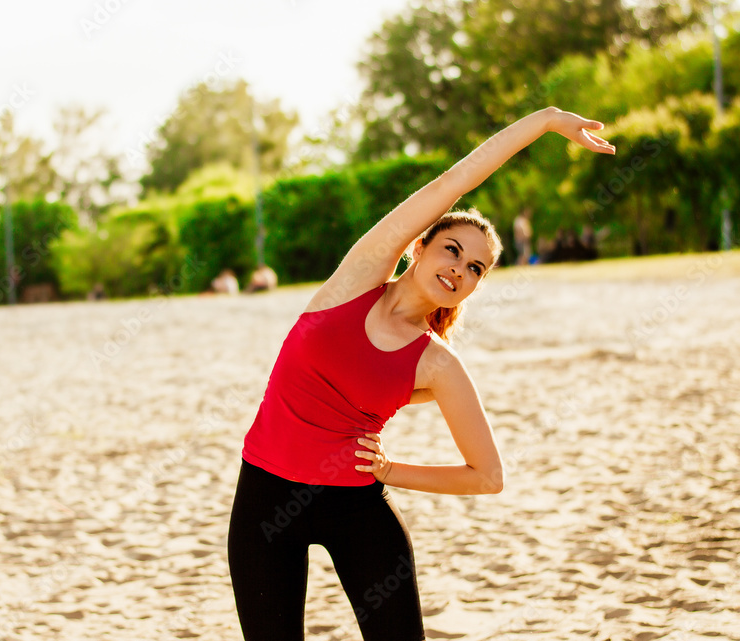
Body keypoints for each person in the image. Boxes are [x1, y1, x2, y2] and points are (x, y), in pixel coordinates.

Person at [227, 106, 615, 640]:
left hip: (356, 509)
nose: (459, 268)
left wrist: (390, 471)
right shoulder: (357, 279)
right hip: (264, 499)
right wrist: (545, 120)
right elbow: (455, 182)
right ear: (418, 246)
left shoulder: (437, 364)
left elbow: (488, 476)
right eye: (452, 249)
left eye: (475, 268)